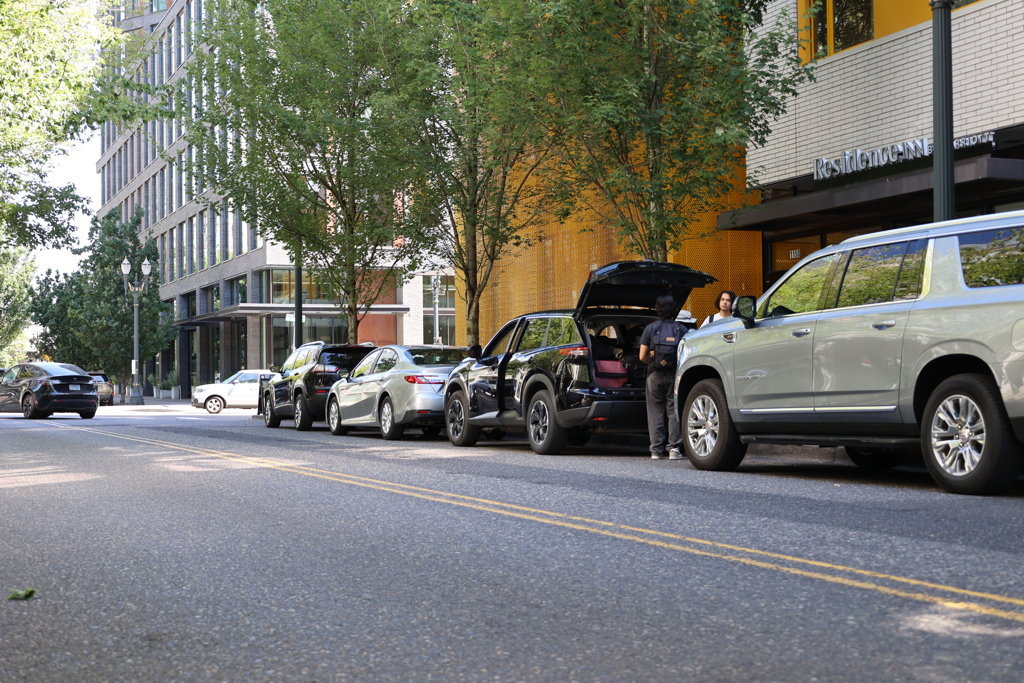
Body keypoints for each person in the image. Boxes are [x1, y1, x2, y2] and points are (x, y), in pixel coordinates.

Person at [639, 294, 686, 460]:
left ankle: (656, 450)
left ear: (657, 309)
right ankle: (674, 449)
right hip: (675, 374)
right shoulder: (682, 329)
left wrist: (653, 364)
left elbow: (642, 356)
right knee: (674, 410)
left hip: (655, 374)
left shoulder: (650, 328)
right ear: (674, 309)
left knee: (655, 411)